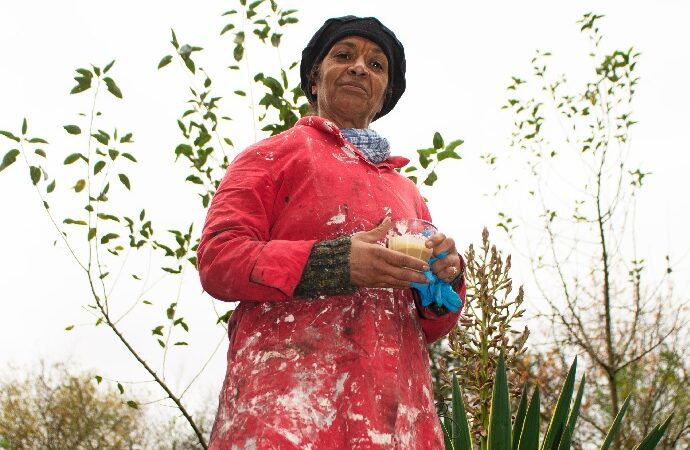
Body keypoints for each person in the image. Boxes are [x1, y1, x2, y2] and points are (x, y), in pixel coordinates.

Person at [197, 15, 466, 450]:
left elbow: (431, 325)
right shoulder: (270, 156)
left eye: (377, 65)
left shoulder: (407, 192)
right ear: (314, 78)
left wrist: (444, 276)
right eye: (344, 56)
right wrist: (336, 262)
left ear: (384, 96)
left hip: (397, 420)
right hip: (286, 410)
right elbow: (219, 260)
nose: (360, 67)